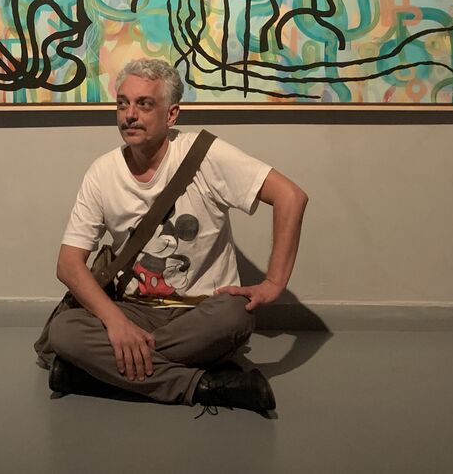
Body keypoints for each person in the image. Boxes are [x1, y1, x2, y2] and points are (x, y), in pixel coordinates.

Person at [45, 58, 309, 413]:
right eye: (122, 103)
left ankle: (94, 374)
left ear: (171, 115)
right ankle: (203, 385)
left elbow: (291, 196)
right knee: (64, 330)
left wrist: (274, 283)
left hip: (202, 313)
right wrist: (117, 323)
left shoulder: (205, 154)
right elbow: (68, 264)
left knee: (236, 316)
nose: (129, 115)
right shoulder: (102, 172)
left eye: (144, 104)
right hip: (135, 310)